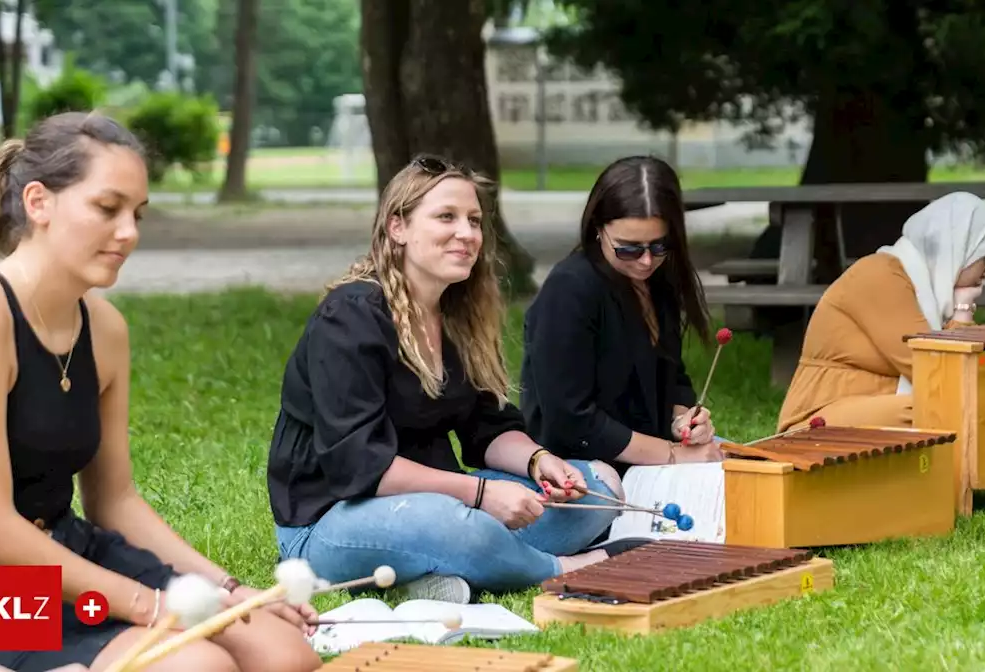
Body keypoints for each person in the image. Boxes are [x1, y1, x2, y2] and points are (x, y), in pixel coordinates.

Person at [0, 112, 322, 672]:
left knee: (285, 656)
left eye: (137, 214)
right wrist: (147, 605)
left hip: (67, 554)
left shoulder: (105, 328)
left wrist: (224, 588)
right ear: (38, 202)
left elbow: (114, 501)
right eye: (107, 208)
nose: (129, 232)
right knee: (197, 667)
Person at [266, 155, 624, 606]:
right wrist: (481, 494)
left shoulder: (457, 316)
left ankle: (449, 567)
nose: (467, 233)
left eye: (474, 220)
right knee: (451, 523)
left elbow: (486, 428)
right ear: (398, 227)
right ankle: (563, 568)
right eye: (446, 217)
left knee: (600, 488)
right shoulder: (350, 318)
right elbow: (361, 466)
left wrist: (539, 461)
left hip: (443, 501)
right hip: (329, 525)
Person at [520, 156, 723, 474]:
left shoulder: (658, 279)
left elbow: (673, 377)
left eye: (659, 246)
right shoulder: (569, 290)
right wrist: (670, 454)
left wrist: (684, 420)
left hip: (648, 453)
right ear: (598, 229)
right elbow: (571, 421)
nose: (645, 261)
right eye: (628, 248)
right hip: (578, 466)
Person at [777, 192, 985, 432]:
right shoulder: (880, 275)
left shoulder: (925, 288)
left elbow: (961, 373)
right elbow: (934, 369)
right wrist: (962, 314)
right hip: (817, 417)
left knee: (952, 404)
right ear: (960, 249)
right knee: (936, 407)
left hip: (872, 407)